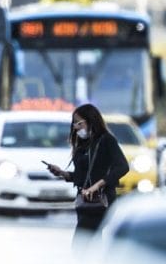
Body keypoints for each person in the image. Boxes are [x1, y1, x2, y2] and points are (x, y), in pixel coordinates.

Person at [47, 103, 128, 243]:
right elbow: (82, 176)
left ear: (91, 121)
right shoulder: (83, 145)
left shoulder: (106, 140)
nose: (75, 128)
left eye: (79, 123)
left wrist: (97, 185)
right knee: (92, 244)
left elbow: (122, 167)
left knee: (80, 246)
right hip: (84, 201)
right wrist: (62, 173)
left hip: (100, 200)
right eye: (73, 124)